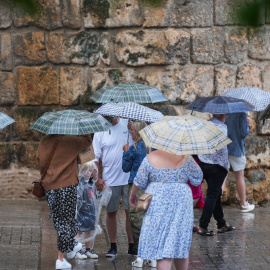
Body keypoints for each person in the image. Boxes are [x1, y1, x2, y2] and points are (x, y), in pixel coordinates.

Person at [129, 151, 203, 270]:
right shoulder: (186, 158)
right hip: (181, 202)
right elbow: (197, 178)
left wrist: (132, 195)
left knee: (162, 246)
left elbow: (139, 181)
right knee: (180, 243)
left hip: (158, 201)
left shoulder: (150, 158)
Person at [37, 134, 91, 270]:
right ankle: (60, 259)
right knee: (66, 222)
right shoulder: (71, 140)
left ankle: (71, 245)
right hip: (66, 184)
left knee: (59, 220)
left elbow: (40, 161)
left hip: (49, 186)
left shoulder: (44, 140)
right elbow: (87, 143)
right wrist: (84, 130)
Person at [93, 116, 136, 257]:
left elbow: (138, 143)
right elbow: (95, 157)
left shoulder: (128, 124)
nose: (108, 117)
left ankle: (132, 245)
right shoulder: (99, 130)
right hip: (110, 179)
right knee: (111, 212)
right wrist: (97, 178)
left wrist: (132, 131)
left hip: (129, 178)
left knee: (130, 212)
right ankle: (113, 246)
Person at [122, 120, 157, 268]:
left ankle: (141, 255)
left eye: (132, 130)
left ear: (138, 132)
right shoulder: (153, 148)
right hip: (152, 188)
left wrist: (125, 152)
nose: (130, 132)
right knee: (151, 220)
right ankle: (153, 256)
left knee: (136, 220)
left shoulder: (133, 149)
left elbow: (125, 168)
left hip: (137, 188)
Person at [197, 114, 235, 236]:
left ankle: (221, 224)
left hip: (204, 164)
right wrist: (226, 166)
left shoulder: (205, 125)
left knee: (216, 192)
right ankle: (203, 226)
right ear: (223, 115)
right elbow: (223, 150)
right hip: (217, 166)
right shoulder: (222, 127)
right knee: (213, 195)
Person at [223, 112, 255, 212]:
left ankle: (215, 204)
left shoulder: (225, 110)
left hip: (224, 147)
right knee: (240, 177)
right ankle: (243, 204)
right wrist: (248, 124)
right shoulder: (241, 113)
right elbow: (243, 133)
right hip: (236, 149)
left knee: (223, 177)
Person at [75, 161, 99, 259]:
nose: (91, 172)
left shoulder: (91, 182)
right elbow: (78, 197)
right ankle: (77, 250)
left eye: (92, 170)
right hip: (82, 211)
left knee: (89, 230)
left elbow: (94, 195)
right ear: (83, 170)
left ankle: (88, 249)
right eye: (89, 170)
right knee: (79, 231)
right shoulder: (80, 183)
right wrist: (77, 209)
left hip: (90, 211)